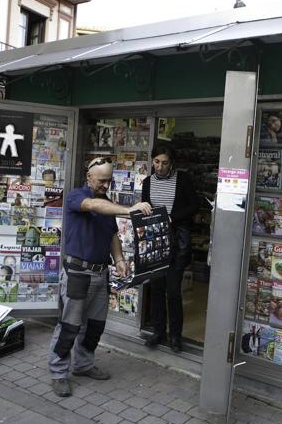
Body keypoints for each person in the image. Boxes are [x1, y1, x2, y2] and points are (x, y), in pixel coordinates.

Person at [48, 157, 152, 398]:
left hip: (100, 273)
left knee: (94, 326)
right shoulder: (76, 196)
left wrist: (119, 260)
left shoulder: (106, 202)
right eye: (102, 180)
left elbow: (112, 234)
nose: (106, 184)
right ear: (89, 177)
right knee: (69, 326)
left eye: (109, 180)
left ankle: (83, 365)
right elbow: (93, 206)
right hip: (77, 273)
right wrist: (128, 209)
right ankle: (58, 373)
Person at [142, 145, 199, 352]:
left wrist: (172, 217)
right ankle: (158, 332)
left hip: (177, 243)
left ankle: (176, 336)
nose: (160, 166)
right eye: (156, 162)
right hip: (156, 243)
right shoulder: (147, 182)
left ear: (171, 162)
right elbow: (144, 206)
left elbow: (195, 205)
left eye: (164, 162)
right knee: (156, 289)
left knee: (173, 291)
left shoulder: (182, 179)